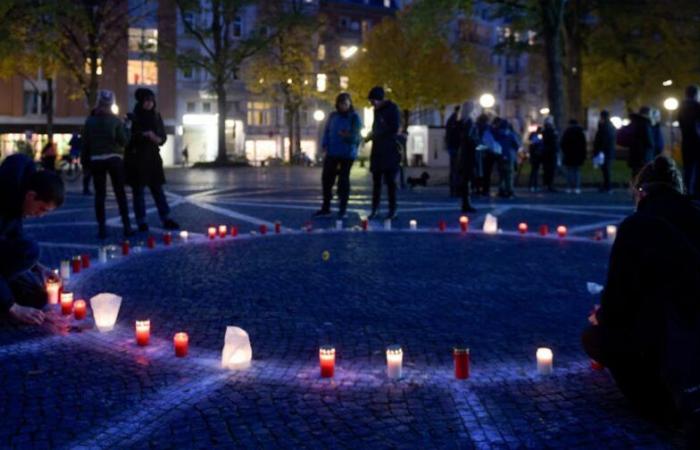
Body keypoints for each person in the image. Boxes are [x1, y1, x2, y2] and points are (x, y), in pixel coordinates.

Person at [582, 155, 700, 431]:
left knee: (594, 337)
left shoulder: (638, 225)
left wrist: (601, 316)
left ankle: (660, 403)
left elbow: (617, 304)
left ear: (641, 191)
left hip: (669, 345)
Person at [0, 154, 65, 325]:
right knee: (29, 250)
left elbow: (12, 241)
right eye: (42, 209)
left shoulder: (14, 201)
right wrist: (12, 307)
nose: (40, 215)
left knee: (37, 296)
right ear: (31, 196)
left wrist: (40, 269)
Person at [125, 88, 179, 232]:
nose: (149, 103)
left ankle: (166, 217)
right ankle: (141, 221)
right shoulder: (132, 117)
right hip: (137, 159)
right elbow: (127, 138)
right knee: (138, 192)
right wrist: (143, 135)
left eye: (151, 100)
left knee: (158, 190)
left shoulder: (156, 116)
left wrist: (157, 138)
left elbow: (163, 136)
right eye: (146, 100)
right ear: (141, 101)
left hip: (153, 158)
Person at [82, 89, 133, 239]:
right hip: (114, 159)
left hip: (96, 160)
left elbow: (86, 144)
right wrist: (127, 127)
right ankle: (127, 226)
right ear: (111, 104)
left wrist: (85, 165)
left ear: (98, 103)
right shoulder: (115, 121)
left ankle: (102, 229)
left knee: (100, 195)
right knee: (120, 194)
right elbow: (124, 141)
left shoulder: (90, 121)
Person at [314, 92, 362, 219]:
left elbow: (357, 137)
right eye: (341, 104)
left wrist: (347, 136)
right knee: (327, 179)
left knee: (343, 181)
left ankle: (343, 209)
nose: (343, 106)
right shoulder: (332, 116)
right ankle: (326, 207)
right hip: (332, 152)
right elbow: (326, 131)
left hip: (347, 154)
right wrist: (324, 144)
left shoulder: (354, 117)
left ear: (350, 104)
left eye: (346, 104)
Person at [365, 86, 401, 220]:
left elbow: (393, 128)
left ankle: (393, 210)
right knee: (376, 183)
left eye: (373, 101)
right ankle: (375, 209)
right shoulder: (377, 110)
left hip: (389, 150)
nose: (372, 104)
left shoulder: (392, 109)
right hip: (378, 150)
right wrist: (370, 136)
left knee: (391, 182)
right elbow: (377, 128)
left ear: (380, 99)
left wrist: (376, 134)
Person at [678, 85, 700, 196]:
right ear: (696, 94)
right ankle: (695, 194)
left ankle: (686, 192)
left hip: (686, 143)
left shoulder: (681, 108)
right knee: (697, 170)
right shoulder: (697, 107)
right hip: (697, 143)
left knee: (688, 170)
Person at [456, 101, 477, 212]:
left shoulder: (460, 121)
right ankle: (466, 203)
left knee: (465, 178)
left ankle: (466, 202)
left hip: (463, 153)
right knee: (467, 179)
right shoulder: (468, 121)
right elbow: (469, 137)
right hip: (468, 153)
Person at [493, 118, 521, 198]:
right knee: (509, 174)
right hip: (509, 155)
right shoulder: (511, 134)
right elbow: (516, 145)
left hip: (500, 155)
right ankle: (509, 190)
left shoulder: (497, 134)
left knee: (501, 174)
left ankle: (501, 189)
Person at [475, 114, 499, 197]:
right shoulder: (489, 128)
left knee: (478, 171)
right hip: (488, 153)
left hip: (479, 151)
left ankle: (478, 189)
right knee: (487, 173)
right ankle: (485, 189)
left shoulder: (476, 127)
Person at [560, 119, 587, 194]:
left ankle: (569, 187)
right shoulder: (580, 132)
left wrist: (565, 151)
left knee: (569, 171)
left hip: (569, 154)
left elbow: (562, 144)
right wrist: (583, 155)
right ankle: (577, 187)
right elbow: (583, 145)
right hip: (578, 155)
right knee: (577, 171)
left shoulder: (567, 132)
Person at [627, 106, 654, 180]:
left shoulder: (636, 122)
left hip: (635, 153)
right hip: (643, 155)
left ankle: (634, 189)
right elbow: (649, 141)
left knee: (636, 174)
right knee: (642, 175)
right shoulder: (645, 124)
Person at [593, 111, 617, 193]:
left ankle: (607, 186)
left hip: (605, 151)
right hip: (609, 151)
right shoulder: (610, 126)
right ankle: (606, 186)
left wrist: (599, 150)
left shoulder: (605, 126)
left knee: (605, 170)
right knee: (606, 169)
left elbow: (602, 139)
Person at [444, 105, 461, 197]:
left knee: (454, 169)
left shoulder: (451, 120)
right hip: (455, 147)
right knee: (456, 169)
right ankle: (455, 189)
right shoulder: (455, 120)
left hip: (453, 147)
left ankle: (454, 189)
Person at [542, 116, 559, 192]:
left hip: (548, 152)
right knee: (550, 169)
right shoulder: (550, 130)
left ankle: (547, 184)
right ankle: (549, 185)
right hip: (550, 152)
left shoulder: (546, 129)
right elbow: (551, 140)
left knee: (547, 169)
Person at [528, 127, 544, 192]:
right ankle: (534, 185)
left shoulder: (533, 138)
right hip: (536, 156)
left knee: (534, 171)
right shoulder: (538, 139)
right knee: (535, 171)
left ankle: (532, 185)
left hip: (533, 156)